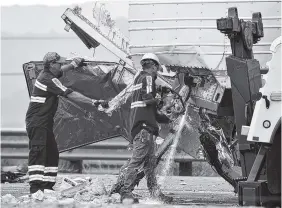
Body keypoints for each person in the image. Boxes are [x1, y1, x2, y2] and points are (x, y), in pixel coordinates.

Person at [25, 52, 108, 195]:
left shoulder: (47, 73)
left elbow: (61, 71)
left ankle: (47, 186)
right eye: (59, 63)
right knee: (39, 152)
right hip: (37, 122)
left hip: (44, 122)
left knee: (52, 153)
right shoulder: (48, 79)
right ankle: (36, 188)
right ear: (52, 64)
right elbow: (70, 94)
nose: (62, 65)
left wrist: (73, 65)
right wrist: (93, 102)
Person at [118, 53, 173, 204]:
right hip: (144, 130)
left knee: (150, 166)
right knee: (136, 162)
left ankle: (155, 193)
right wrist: (163, 100)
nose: (157, 72)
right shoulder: (147, 78)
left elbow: (152, 111)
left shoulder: (138, 79)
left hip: (145, 128)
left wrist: (168, 119)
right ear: (154, 66)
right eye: (157, 69)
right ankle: (125, 192)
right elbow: (148, 99)